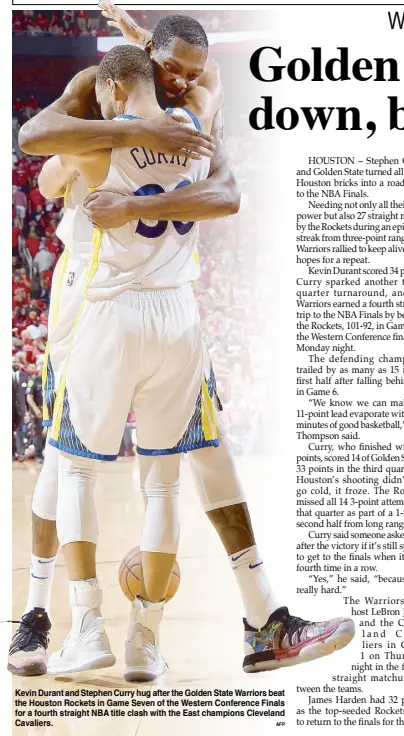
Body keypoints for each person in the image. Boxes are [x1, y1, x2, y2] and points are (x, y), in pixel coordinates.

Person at [14, 12, 354, 681]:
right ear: (144, 55)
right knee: (87, 465)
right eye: (171, 68)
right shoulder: (111, 91)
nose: (182, 81)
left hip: (130, 300)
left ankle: (163, 628)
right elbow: (50, 165)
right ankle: (44, 612)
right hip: (97, 297)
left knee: (141, 462)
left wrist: (114, 174)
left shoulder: (191, 99)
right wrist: (132, 133)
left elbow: (47, 157)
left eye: (192, 74)